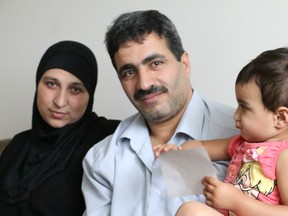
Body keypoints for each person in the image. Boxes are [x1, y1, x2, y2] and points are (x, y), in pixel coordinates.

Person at [81, 10, 238, 216]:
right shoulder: (102, 159)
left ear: (185, 64)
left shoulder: (245, 136)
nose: (144, 83)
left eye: (155, 63)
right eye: (129, 72)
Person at [155, 47, 288, 216]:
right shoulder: (241, 142)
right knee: (191, 210)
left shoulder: (284, 156)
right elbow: (202, 146)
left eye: (244, 108)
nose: (236, 115)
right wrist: (178, 151)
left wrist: (237, 202)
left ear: (280, 117)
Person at [0, 41, 120, 216]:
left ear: (90, 94)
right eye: (51, 84)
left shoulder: (111, 138)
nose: (60, 101)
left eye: (75, 89)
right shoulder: (17, 145)